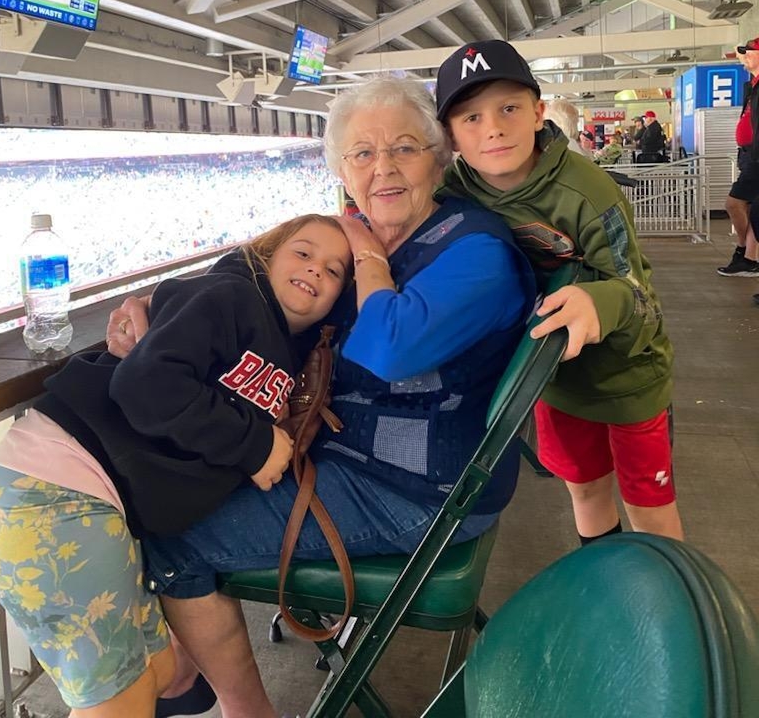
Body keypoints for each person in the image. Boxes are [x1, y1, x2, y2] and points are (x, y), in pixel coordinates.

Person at [106, 76, 536, 718]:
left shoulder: (476, 252)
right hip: (346, 457)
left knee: (171, 533)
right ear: (341, 170)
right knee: (170, 480)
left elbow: (388, 346)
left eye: (404, 148)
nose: (382, 168)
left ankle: (238, 706)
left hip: (422, 492)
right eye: (362, 154)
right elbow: (252, 271)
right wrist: (159, 302)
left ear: (439, 157)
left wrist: (365, 254)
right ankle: (185, 669)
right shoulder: (357, 232)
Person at [0, 215, 353, 717]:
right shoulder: (230, 297)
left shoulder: (289, 349)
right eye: (304, 253)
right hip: (55, 491)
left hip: (98, 504)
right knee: (120, 700)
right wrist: (253, 445)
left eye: (334, 270)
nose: (316, 269)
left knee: (161, 673)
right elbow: (146, 384)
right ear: (267, 257)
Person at [434, 40, 684, 549]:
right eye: (471, 117)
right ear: (450, 136)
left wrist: (599, 301)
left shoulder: (588, 190)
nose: (493, 128)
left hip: (627, 377)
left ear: (538, 113)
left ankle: (667, 592)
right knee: (585, 490)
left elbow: (640, 297)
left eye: (509, 108)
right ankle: (608, 580)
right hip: (551, 380)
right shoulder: (451, 194)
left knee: (649, 508)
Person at [717, 39, 759, 277]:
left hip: (756, 156)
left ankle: (743, 250)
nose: (745, 57)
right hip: (748, 153)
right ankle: (749, 258)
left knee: (734, 203)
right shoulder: (752, 85)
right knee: (753, 209)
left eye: (750, 53)